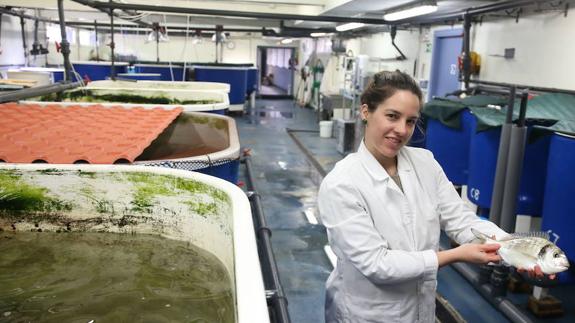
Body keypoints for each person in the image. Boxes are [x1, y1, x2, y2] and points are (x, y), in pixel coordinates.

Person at [317, 70, 544, 323]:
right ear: (366, 111)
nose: (401, 130)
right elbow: (378, 264)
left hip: (420, 309)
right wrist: (456, 255)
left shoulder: (424, 162)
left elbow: (460, 219)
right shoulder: (342, 183)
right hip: (367, 314)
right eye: (392, 116)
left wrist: (513, 249)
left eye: (411, 121)